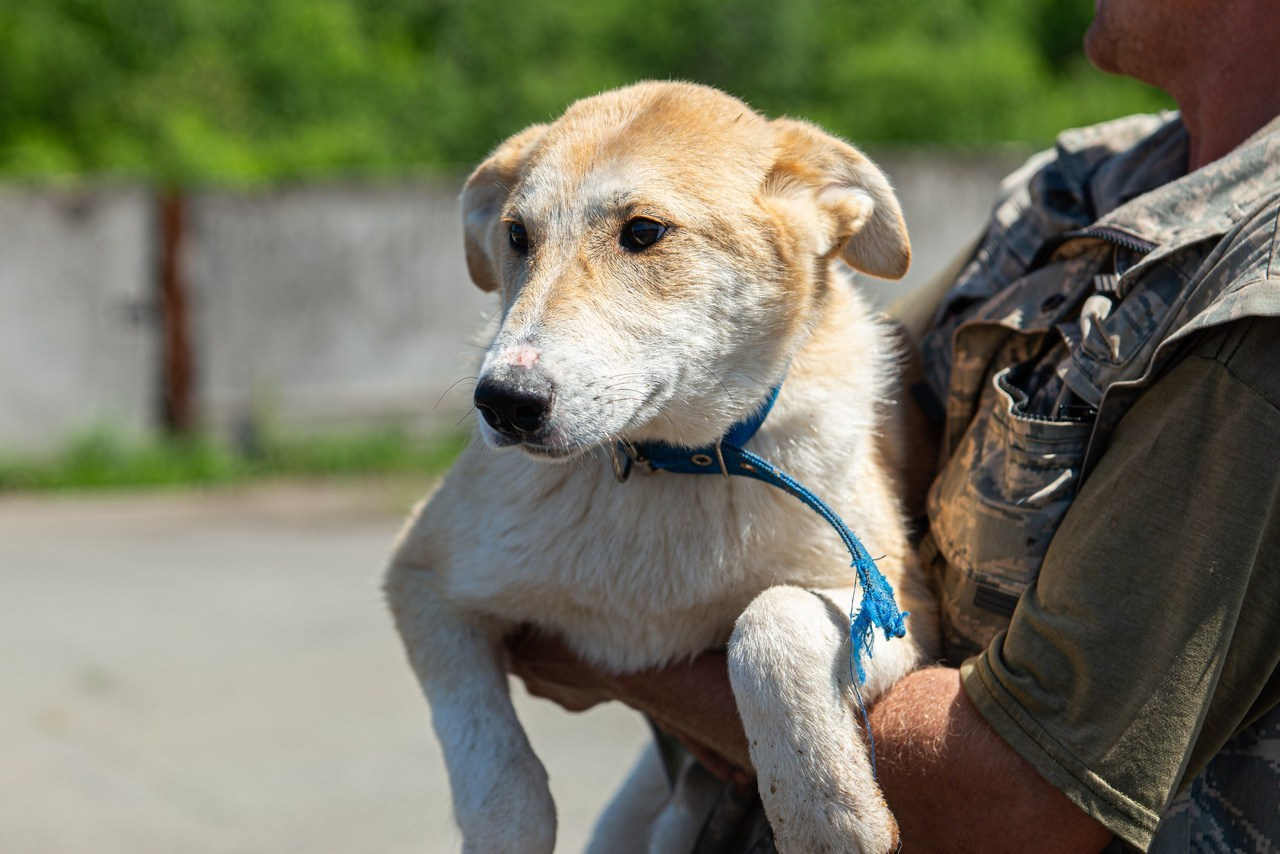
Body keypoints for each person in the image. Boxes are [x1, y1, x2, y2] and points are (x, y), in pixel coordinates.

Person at [508, 1, 1280, 850]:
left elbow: (1015, 796)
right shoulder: (1081, 184)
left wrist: (611, 643)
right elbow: (821, 415)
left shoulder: (1259, 304)